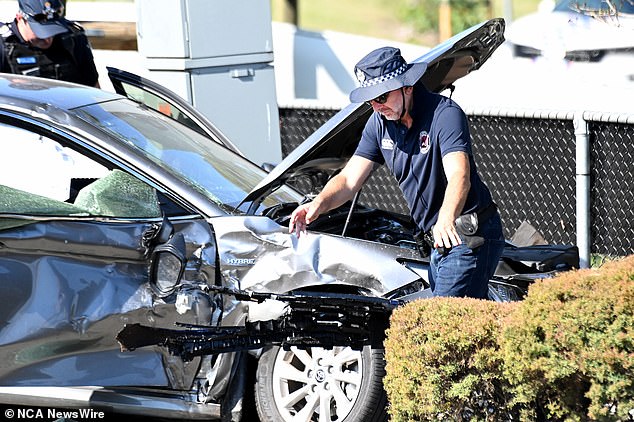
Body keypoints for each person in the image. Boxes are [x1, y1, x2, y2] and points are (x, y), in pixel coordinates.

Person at [289, 46, 505, 299]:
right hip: (437, 240)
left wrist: (446, 217)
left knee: (440, 323)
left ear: (408, 87)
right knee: (462, 327)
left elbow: (459, 175)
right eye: (370, 100)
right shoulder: (378, 123)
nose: (377, 106)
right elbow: (348, 180)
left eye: (382, 97)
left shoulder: (445, 114)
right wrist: (318, 204)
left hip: (466, 235)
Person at [0, 0, 99, 87]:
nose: (48, 39)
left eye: (54, 32)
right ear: (20, 18)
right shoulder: (3, 44)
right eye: (40, 33)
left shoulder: (73, 37)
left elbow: (94, 89)